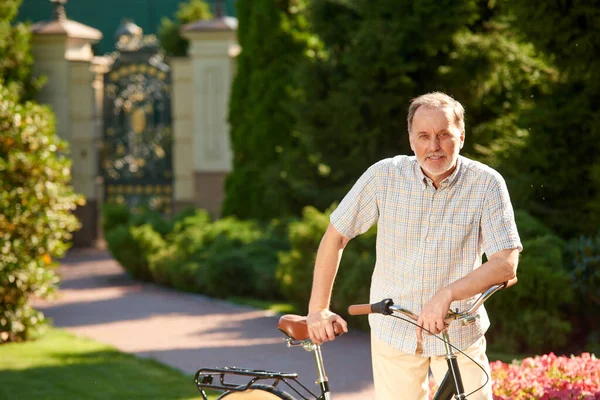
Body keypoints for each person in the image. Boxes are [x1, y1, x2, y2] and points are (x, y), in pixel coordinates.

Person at [305, 92, 522, 400]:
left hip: (458, 333)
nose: (433, 146)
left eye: (444, 135)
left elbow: (505, 263)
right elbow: (335, 236)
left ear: (461, 135)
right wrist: (318, 309)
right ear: (410, 139)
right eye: (423, 136)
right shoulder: (384, 176)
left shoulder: (486, 184)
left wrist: (447, 294)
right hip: (394, 331)